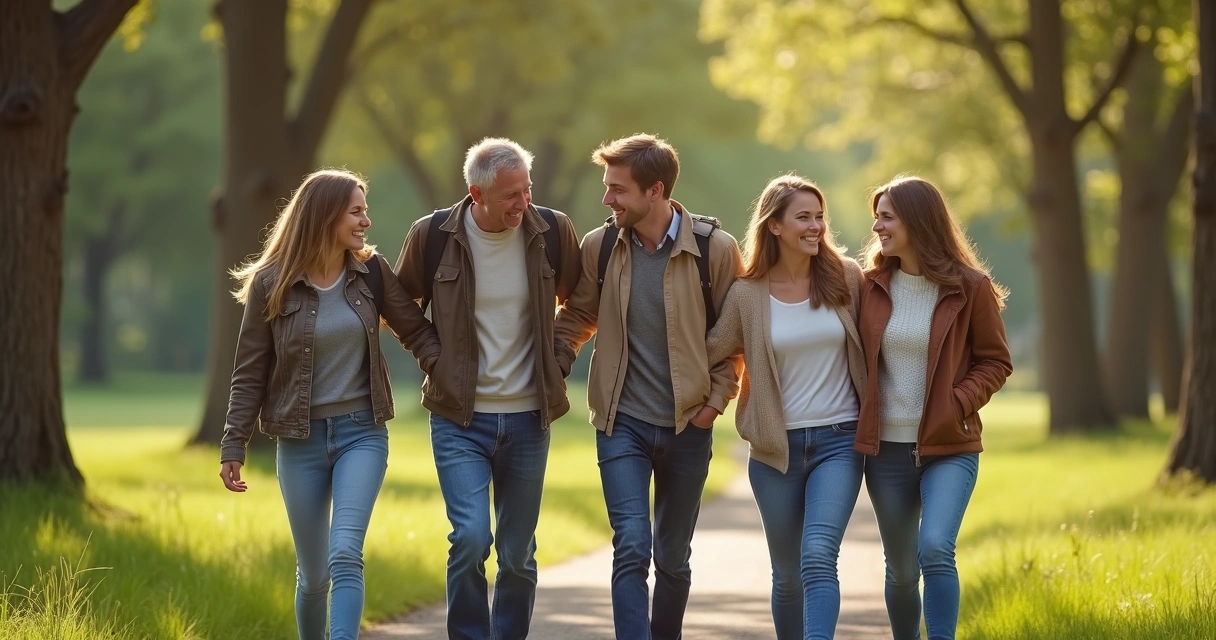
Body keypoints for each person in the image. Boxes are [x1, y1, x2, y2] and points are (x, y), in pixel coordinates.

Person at [219, 169, 440, 640]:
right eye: (356, 211)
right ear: (325, 216)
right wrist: (233, 443)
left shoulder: (371, 272)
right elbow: (249, 371)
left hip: (362, 433)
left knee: (345, 554)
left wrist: (451, 374)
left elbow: (416, 330)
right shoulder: (270, 283)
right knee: (314, 575)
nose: (366, 220)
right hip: (299, 443)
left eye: (365, 209)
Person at [553, 133, 743, 640]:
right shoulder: (601, 246)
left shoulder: (714, 249)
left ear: (655, 191)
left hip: (689, 424)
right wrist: (554, 358)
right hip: (622, 423)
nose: (607, 199)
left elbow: (734, 334)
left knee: (673, 558)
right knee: (632, 546)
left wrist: (714, 403)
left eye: (617, 189)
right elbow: (580, 315)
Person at [393, 138, 581, 640]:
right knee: (471, 539)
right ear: (477, 194)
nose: (523, 203)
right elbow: (399, 303)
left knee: (517, 554)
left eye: (527, 189)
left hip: (528, 418)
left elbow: (583, 302)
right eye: (510, 196)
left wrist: (560, 356)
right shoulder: (433, 235)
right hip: (460, 418)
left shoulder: (553, 231)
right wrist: (432, 356)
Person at [706, 174, 866, 640]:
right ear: (774, 226)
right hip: (775, 451)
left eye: (819, 217)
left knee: (817, 555)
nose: (815, 226)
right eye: (803, 217)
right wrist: (707, 401)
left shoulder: (847, 278)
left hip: (839, 442)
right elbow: (712, 353)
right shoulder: (746, 294)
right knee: (786, 573)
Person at [856, 175, 1012, 640]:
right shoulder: (869, 286)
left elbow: (996, 362)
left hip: (951, 446)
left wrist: (956, 403)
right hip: (885, 452)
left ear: (918, 221)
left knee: (936, 549)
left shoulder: (971, 287)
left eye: (887, 217)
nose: (878, 227)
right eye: (876, 218)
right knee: (902, 569)